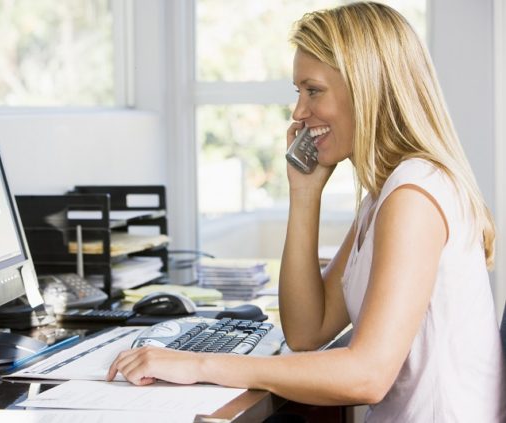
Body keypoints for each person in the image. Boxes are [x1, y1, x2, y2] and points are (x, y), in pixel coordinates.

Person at [107, 2, 506, 420]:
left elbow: (367, 375)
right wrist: (305, 193)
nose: (299, 112)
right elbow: (306, 331)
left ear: (365, 88)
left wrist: (198, 365)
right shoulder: (385, 195)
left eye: (313, 90)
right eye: (298, 93)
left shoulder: (415, 195)